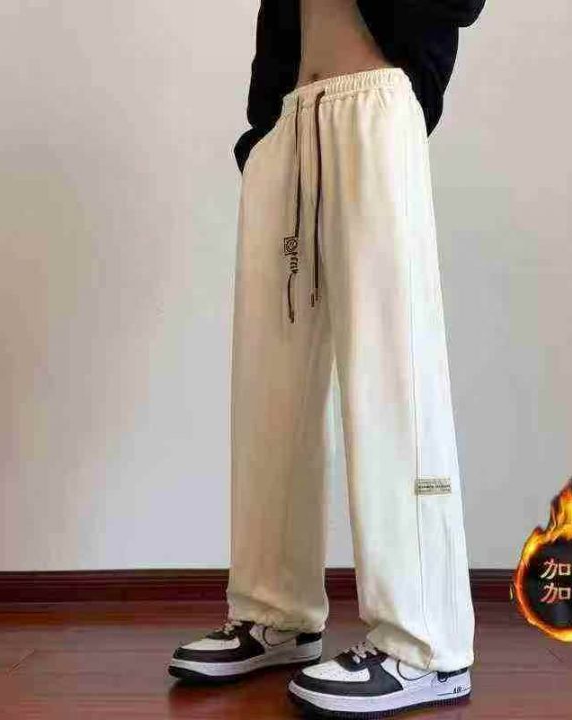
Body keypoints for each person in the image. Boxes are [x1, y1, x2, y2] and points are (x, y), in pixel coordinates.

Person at [168, 0, 487, 716]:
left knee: (392, 375)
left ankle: (425, 643)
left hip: (373, 104)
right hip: (291, 122)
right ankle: (275, 613)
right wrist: (264, 132)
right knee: (270, 382)